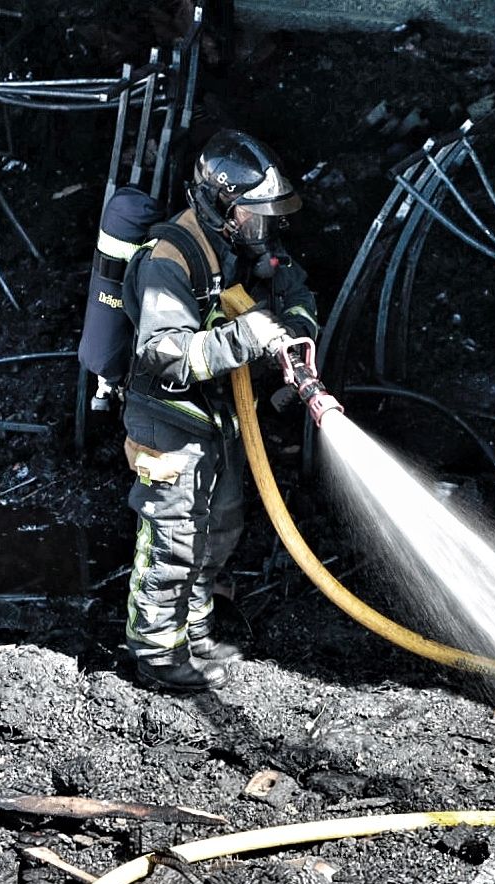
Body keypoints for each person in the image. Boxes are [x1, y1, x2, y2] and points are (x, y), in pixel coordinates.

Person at [120, 129, 319, 691]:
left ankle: (194, 627)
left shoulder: (247, 249)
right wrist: (246, 337)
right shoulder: (170, 259)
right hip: (168, 420)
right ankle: (157, 654)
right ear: (219, 207)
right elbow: (164, 355)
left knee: (223, 523)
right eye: (252, 215)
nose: (263, 227)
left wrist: (292, 333)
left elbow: (298, 294)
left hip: (219, 416)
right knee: (175, 536)